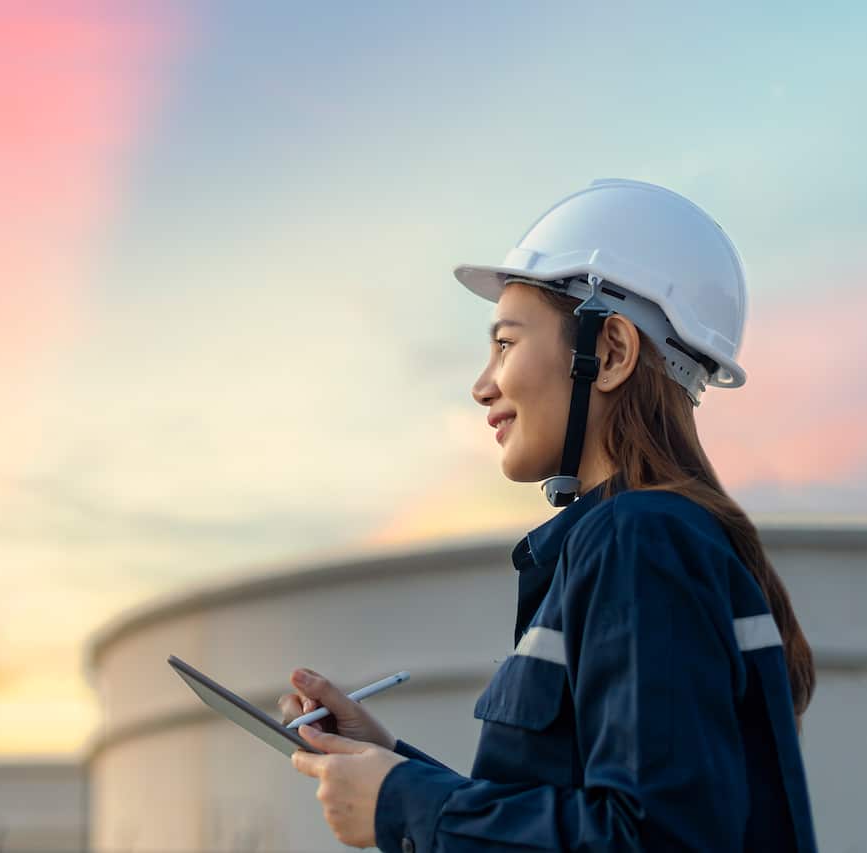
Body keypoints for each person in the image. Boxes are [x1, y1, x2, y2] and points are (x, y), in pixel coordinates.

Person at [284, 178, 819, 852]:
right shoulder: (649, 541)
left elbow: (655, 841)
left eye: (505, 343)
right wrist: (390, 762)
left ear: (614, 351)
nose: (482, 385)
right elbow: (598, 818)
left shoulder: (639, 540)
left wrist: (405, 802)